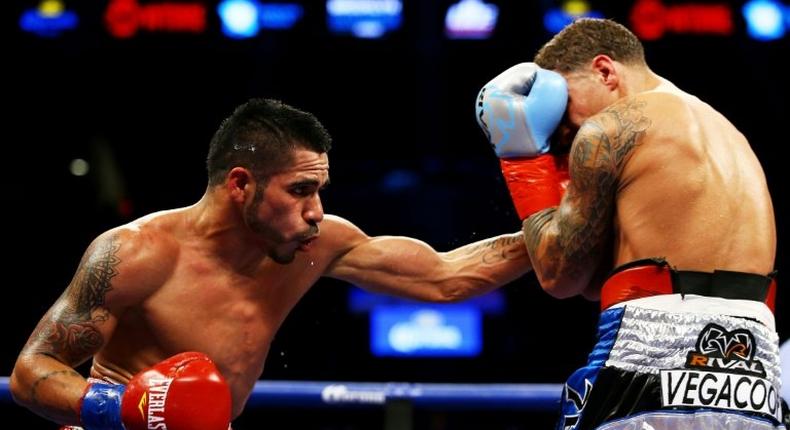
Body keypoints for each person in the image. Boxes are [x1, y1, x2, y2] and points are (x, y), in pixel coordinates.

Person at [10, 98, 533, 429]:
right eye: (300, 190)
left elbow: (446, 278)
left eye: (320, 190)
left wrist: (560, 228)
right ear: (241, 184)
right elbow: (33, 369)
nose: (317, 212)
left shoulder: (315, 244)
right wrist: (122, 410)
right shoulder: (136, 253)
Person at [476, 18, 785, 429]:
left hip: (650, 363)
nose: (564, 130)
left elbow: (559, 276)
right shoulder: (728, 134)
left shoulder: (611, 127)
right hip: (754, 376)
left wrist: (523, 160)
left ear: (604, 71)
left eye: (563, 107)